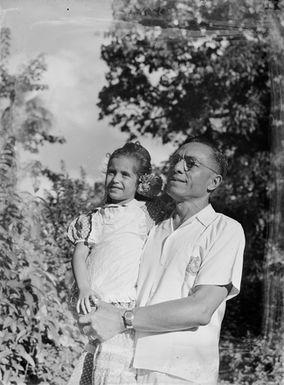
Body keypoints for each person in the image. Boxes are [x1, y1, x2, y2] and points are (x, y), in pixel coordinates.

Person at [79, 136, 246, 385]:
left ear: (214, 181)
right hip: (128, 367)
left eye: (191, 163)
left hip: (181, 374)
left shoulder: (224, 229)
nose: (177, 167)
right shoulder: (151, 228)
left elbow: (201, 309)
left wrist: (123, 318)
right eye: (176, 160)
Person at [66, 142, 163, 385]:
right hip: (95, 301)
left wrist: (152, 185)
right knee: (94, 364)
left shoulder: (147, 213)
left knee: (116, 371)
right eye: (112, 172)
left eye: (125, 174)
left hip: (123, 306)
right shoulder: (96, 218)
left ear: (140, 180)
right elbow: (79, 254)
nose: (116, 179)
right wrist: (85, 288)